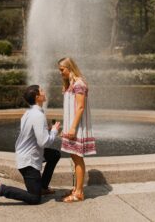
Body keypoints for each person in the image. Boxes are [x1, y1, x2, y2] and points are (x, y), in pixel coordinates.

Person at [0, 85, 61, 207]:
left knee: (54, 155)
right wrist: (54, 131)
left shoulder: (29, 113)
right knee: (34, 198)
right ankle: (0, 189)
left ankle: (42, 187)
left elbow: (32, 135)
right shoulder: (38, 115)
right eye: (42, 90)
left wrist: (45, 130)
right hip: (28, 160)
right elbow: (43, 142)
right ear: (37, 97)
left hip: (28, 153)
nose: (44, 91)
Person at [58, 57, 96, 203]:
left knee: (78, 158)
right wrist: (66, 128)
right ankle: (76, 189)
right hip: (73, 127)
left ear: (69, 68)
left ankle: (79, 192)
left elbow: (80, 107)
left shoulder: (79, 84)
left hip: (78, 128)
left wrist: (73, 128)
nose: (60, 73)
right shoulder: (70, 84)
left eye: (62, 70)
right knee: (75, 158)